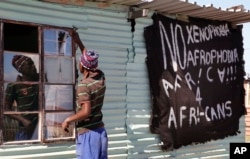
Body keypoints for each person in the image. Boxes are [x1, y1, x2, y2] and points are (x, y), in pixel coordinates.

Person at [62, 31, 108, 159]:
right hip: (100, 132)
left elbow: (86, 111)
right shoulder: (100, 77)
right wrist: (79, 42)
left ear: (81, 66)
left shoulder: (84, 85)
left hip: (88, 135)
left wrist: (68, 120)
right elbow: (88, 60)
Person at [4, 55, 39, 140]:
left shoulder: (40, 80)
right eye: (30, 64)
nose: (33, 66)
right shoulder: (14, 86)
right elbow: (5, 109)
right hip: (25, 131)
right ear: (21, 69)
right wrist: (23, 120)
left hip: (40, 128)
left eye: (33, 63)